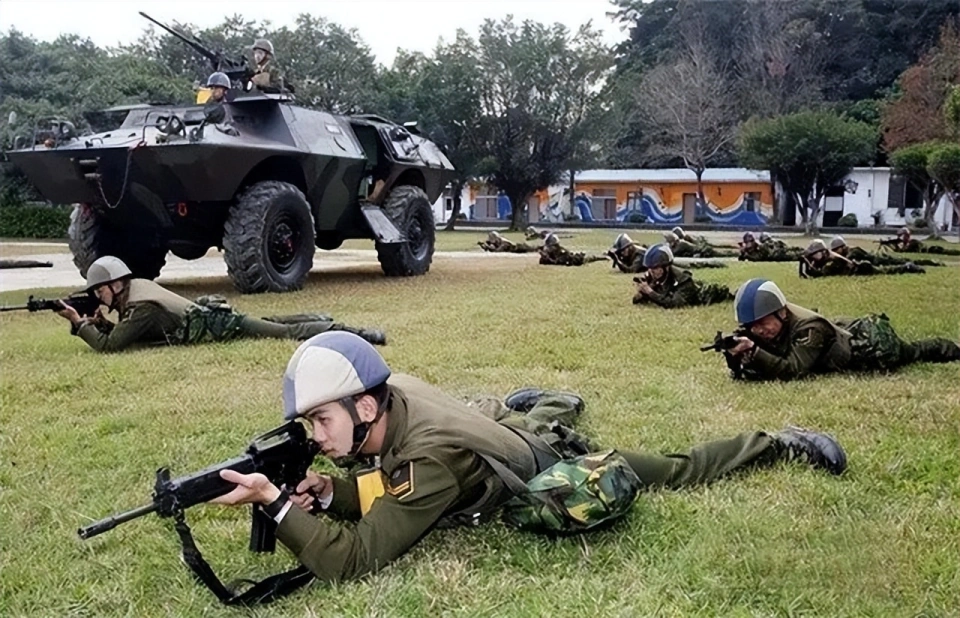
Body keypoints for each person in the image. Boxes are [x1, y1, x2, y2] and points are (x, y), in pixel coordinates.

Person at [210, 331, 847, 585]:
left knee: (673, 469)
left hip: (540, 461)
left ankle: (778, 442)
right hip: (496, 432)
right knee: (530, 412)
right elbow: (383, 483)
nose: (318, 437)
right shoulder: (393, 387)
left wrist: (277, 505)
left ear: (366, 407)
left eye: (322, 420)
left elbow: (353, 560)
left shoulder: (427, 463)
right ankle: (549, 402)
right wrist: (332, 493)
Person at [55, 256, 385, 353]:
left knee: (284, 332)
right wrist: (96, 322)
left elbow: (112, 345)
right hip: (214, 321)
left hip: (218, 326)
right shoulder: (137, 291)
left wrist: (80, 323)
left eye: (99, 291)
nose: (98, 296)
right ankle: (322, 319)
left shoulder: (141, 307)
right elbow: (129, 334)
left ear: (114, 285)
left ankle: (354, 333)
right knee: (272, 323)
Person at [717, 279, 960, 381]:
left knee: (916, 351)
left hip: (872, 347)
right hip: (843, 332)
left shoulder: (810, 328)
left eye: (762, 323)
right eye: (752, 327)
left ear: (781, 312)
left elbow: (794, 369)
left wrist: (754, 351)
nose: (758, 331)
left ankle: (951, 348)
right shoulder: (770, 326)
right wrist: (736, 354)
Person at [632, 244, 733, 308]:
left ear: (666, 267)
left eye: (655, 268)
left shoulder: (683, 280)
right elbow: (636, 301)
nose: (651, 272)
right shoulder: (657, 278)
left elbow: (674, 304)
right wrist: (643, 291)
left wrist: (650, 292)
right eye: (649, 268)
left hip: (706, 294)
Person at [799, 239, 924, 278]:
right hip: (859, 268)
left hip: (861, 269)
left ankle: (907, 267)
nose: (813, 257)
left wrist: (810, 268)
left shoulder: (834, 260)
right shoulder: (828, 258)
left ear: (822, 252)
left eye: (814, 254)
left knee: (887, 270)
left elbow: (822, 274)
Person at [829, 236, 943, 268]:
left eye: (836, 250)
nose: (836, 252)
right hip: (879, 260)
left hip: (881, 260)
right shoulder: (851, 250)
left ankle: (933, 263)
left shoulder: (853, 251)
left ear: (842, 247)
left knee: (906, 262)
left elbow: (847, 260)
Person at [538, 234, 607, 267]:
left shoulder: (562, 252)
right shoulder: (552, 252)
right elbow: (542, 261)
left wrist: (547, 258)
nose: (548, 248)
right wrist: (544, 257)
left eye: (551, 247)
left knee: (591, 257)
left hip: (578, 259)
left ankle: (604, 257)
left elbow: (557, 262)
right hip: (574, 258)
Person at [885, 227, 960, 256]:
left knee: (946, 251)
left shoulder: (913, 243)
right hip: (928, 249)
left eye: (903, 235)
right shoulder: (905, 243)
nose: (902, 237)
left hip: (931, 250)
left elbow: (907, 250)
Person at [664, 232, 737, 259]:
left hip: (704, 251)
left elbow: (673, 253)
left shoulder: (681, 244)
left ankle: (736, 254)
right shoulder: (679, 244)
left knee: (723, 254)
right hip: (701, 251)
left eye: (668, 241)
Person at [739, 231, 803, 262]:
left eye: (748, 242)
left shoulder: (762, 247)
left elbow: (759, 258)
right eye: (747, 243)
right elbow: (741, 258)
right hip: (780, 255)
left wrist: (747, 255)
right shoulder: (754, 248)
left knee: (798, 253)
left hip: (780, 254)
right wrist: (743, 254)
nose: (748, 245)